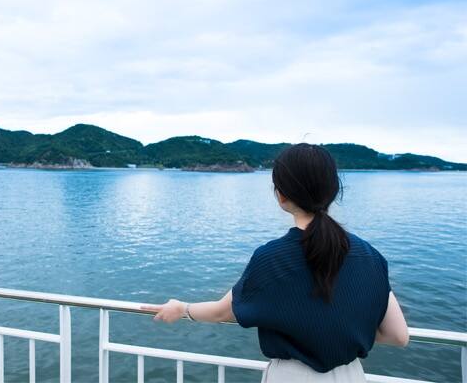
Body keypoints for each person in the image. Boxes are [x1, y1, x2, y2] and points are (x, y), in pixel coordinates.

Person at [142, 143, 409, 383]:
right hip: (352, 375)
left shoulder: (272, 258)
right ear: (333, 191)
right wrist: (346, 331)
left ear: (281, 195)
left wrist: (182, 308)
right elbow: (398, 335)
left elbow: (222, 312)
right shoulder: (370, 256)